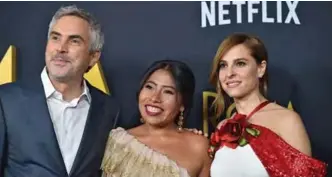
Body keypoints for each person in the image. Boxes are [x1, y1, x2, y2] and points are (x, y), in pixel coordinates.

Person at [0, 5, 121, 177]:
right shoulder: (6, 101)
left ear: (93, 56)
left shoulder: (109, 110)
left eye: (74, 41)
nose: (61, 48)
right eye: (55, 38)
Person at [208, 33, 327, 176]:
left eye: (240, 63)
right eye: (223, 65)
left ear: (261, 68)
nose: (229, 73)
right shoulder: (223, 127)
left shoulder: (287, 120)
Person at [101, 60, 211, 177]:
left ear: (182, 104)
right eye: (149, 87)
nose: (154, 98)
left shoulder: (198, 147)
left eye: (168, 92)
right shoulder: (118, 142)